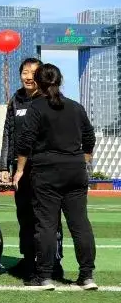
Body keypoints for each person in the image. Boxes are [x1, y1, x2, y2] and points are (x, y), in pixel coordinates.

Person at [13, 63, 98, 290]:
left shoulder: (36, 107)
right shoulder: (76, 107)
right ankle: (87, 276)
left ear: (39, 83)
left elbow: (25, 141)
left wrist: (20, 170)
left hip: (46, 172)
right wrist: (81, 160)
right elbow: (89, 138)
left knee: (46, 225)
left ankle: (45, 276)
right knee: (80, 224)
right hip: (75, 171)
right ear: (59, 81)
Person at [0, 56, 63, 279]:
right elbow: (8, 132)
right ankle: (28, 260)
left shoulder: (48, 100)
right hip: (20, 170)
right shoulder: (15, 100)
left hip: (44, 167)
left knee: (47, 218)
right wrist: (4, 165)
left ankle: (53, 262)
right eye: (25, 72)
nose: (28, 77)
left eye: (34, 73)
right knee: (24, 215)